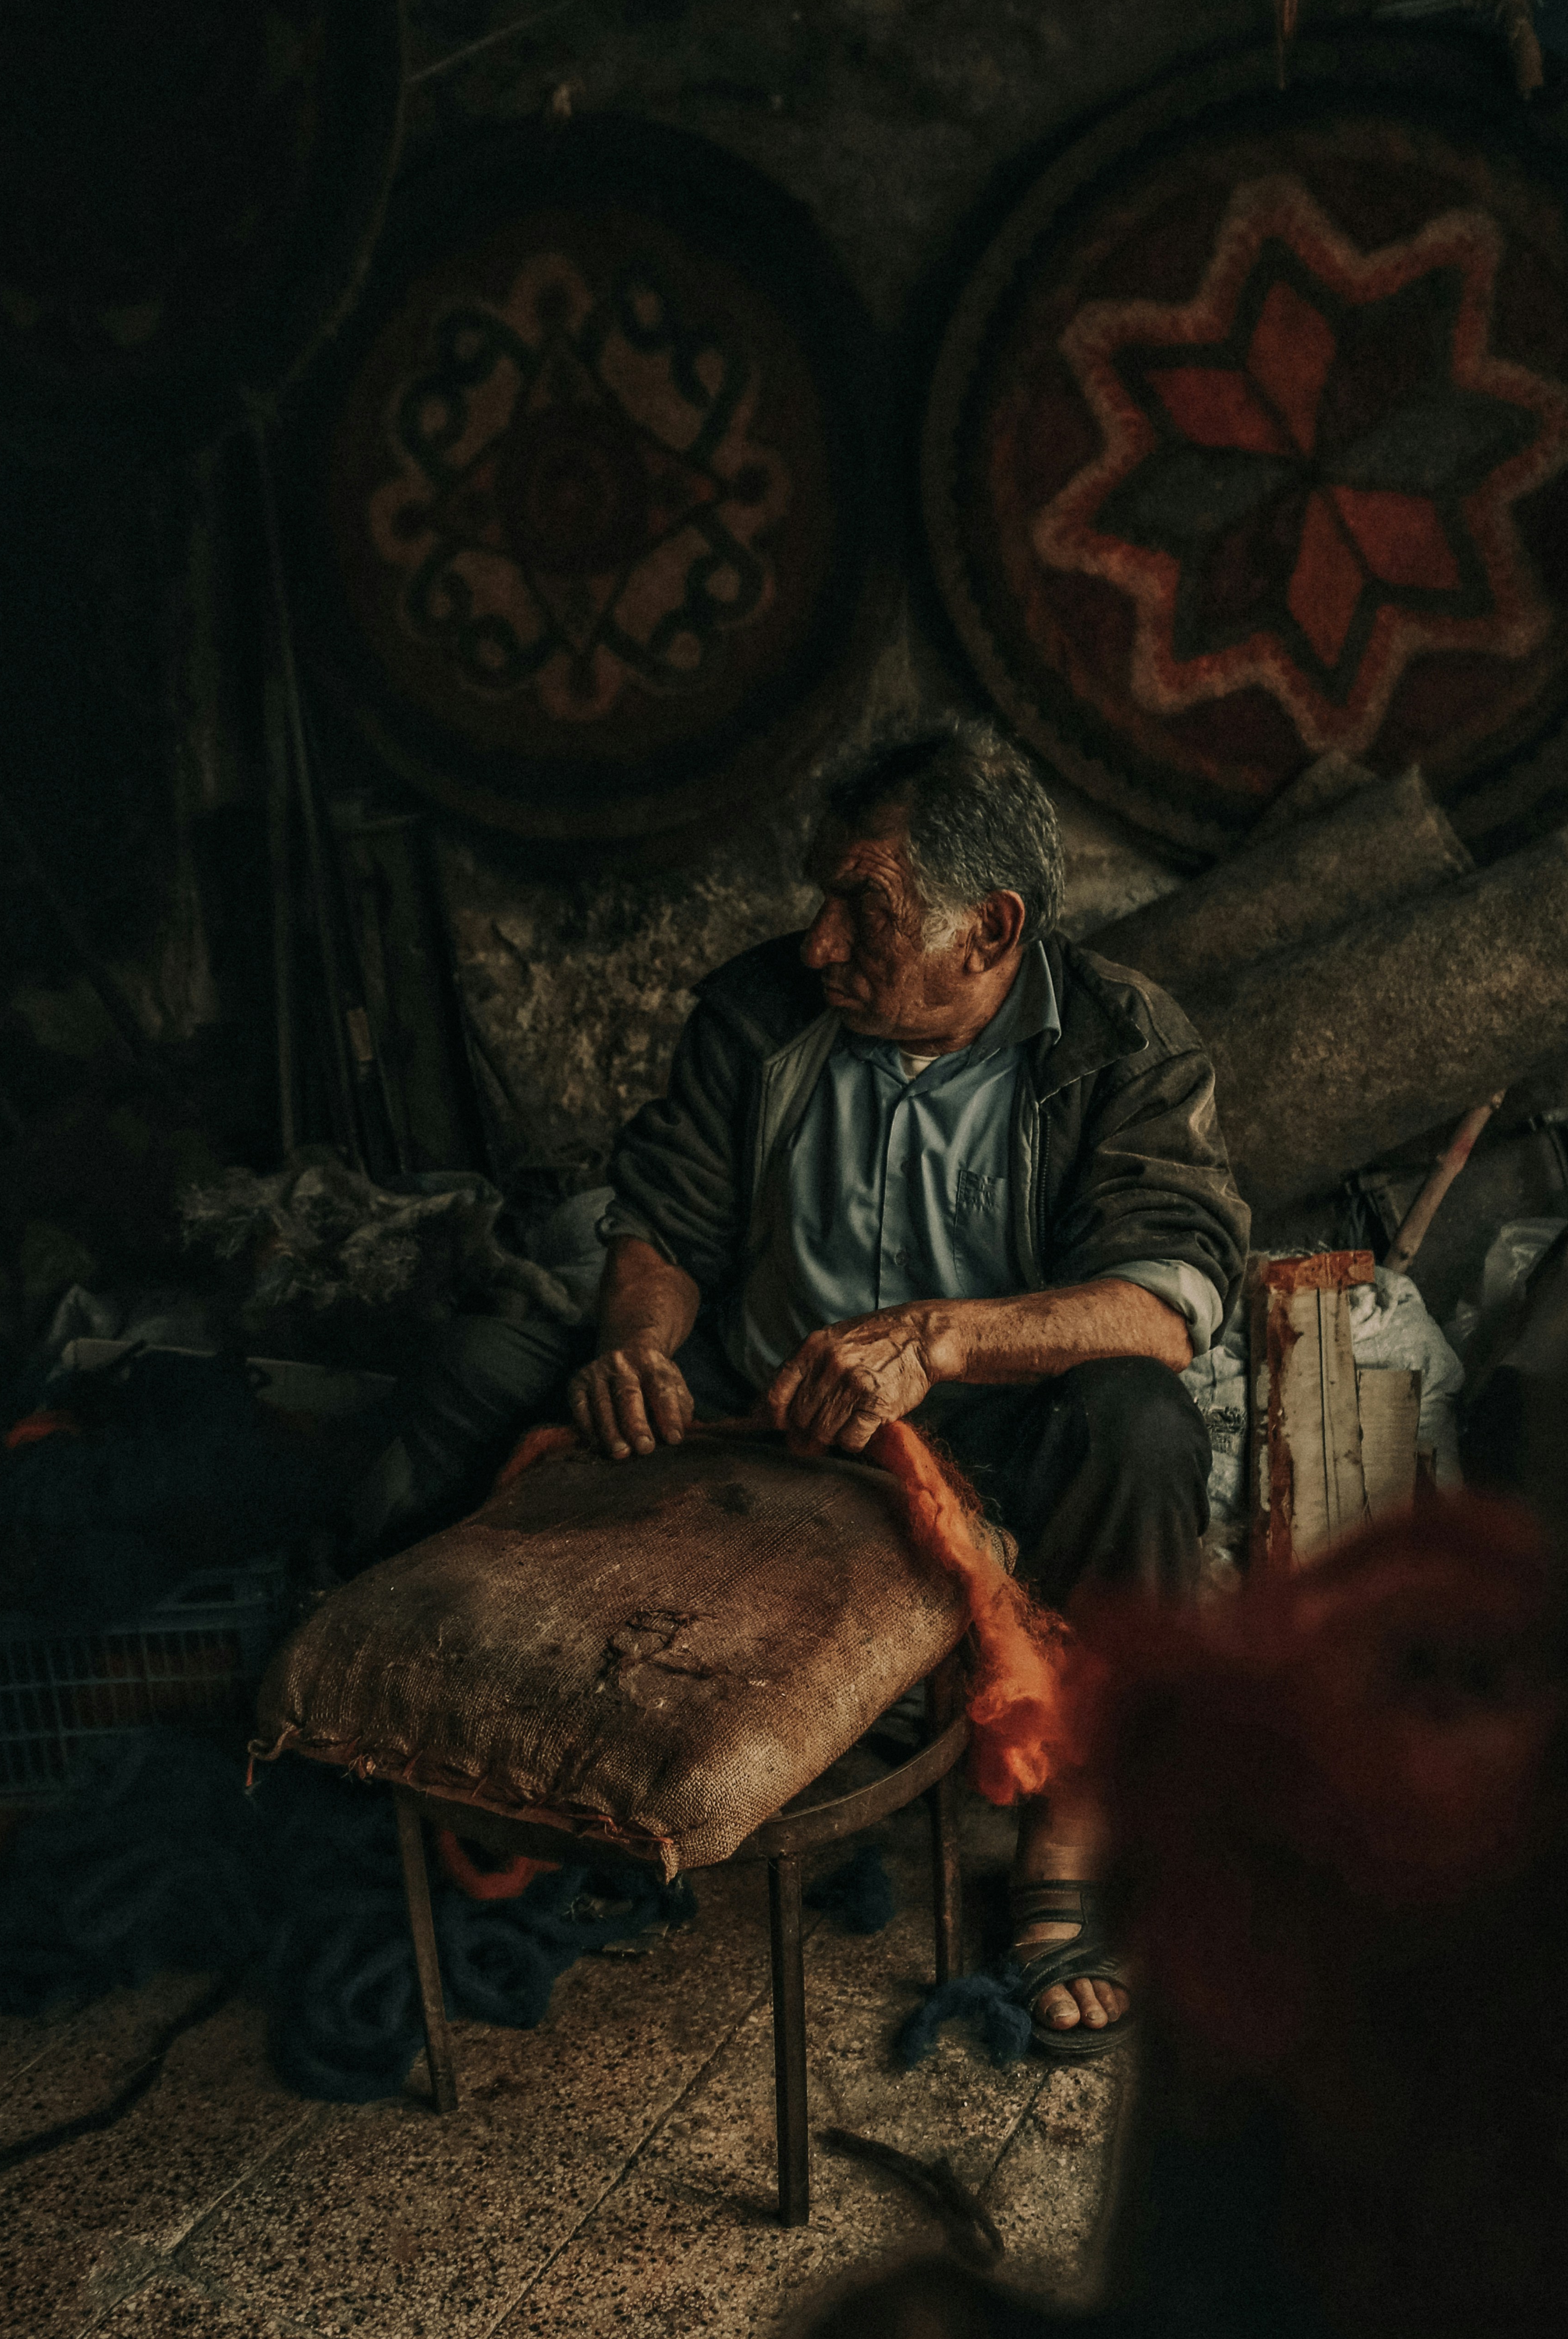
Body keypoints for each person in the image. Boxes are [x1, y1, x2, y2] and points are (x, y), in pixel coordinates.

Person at [355, 717, 1250, 2050]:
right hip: (757, 1393)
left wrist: (942, 1341)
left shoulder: (1122, 1044)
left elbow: (1168, 1298)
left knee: (1141, 1428)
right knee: (477, 1364)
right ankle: (401, 1739)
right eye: (822, 896)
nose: (821, 942)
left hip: (987, 1425)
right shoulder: (762, 1009)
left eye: (862, 907)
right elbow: (662, 1222)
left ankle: (1079, 1834)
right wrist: (641, 1347)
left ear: (990, 930)